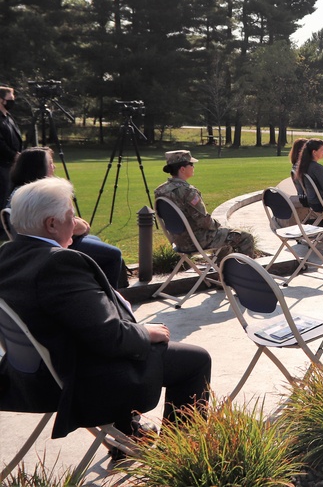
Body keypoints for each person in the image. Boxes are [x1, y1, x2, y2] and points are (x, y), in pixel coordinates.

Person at [0, 177, 211, 446]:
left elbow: (67, 312)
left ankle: (129, 435)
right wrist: (145, 333)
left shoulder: (9, 254)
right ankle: (181, 454)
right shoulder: (58, 263)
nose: (75, 223)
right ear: (51, 224)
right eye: (70, 215)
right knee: (195, 361)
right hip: (76, 378)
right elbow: (110, 337)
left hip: (31, 373)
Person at [7, 147, 126, 287]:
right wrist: (76, 224)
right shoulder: (37, 196)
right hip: (48, 245)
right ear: (38, 167)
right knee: (113, 255)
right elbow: (75, 226)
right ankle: (111, 297)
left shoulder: (21, 192)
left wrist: (74, 223)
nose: (54, 167)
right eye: (50, 163)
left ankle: (90, 285)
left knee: (96, 241)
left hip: (45, 241)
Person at [154, 150, 254, 257]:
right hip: (197, 241)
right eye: (191, 164)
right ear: (182, 169)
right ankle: (245, 272)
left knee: (223, 235)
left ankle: (222, 270)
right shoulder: (188, 191)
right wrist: (218, 225)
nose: (193, 167)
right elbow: (204, 221)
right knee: (246, 237)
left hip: (179, 242)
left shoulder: (160, 191)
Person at [0, 85, 23, 210]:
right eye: (10, 98)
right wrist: (14, 155)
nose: (12, 101)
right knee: (2, 199)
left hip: (11, 165)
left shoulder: (8, 117)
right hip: (2, 165)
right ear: (1, 100)